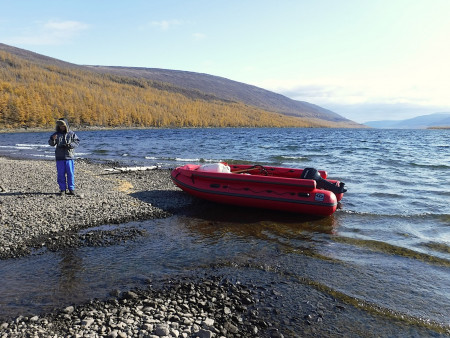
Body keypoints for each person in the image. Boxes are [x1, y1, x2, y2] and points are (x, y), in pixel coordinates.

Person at [48, 118, 80, 195]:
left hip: (69, 157)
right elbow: (51, 144)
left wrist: (70, 145)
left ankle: (71, 189)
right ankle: (62, 189)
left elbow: (77, 142)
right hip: (60, 157)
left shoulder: (72, 134)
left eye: (63, 126)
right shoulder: (56, 134)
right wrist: (52, 139)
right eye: (60, 126)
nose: (61, 127)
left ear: (66, 125)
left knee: (70, 173)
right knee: (60, 174)